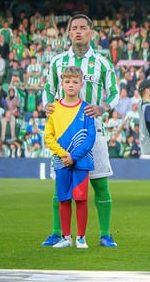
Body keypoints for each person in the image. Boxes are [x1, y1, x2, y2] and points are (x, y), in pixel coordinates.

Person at [41, 14, 119, 248]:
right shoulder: (57, 62)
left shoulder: (103, 63)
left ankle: (105, 234)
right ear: (68, 33)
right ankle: (58, 233)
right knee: (61, 185)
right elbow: (48, 89)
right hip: (64, 133)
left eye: (83, 28)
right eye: (73, 28)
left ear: (91, 32)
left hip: (94, 130)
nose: (78, 31)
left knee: (100, 184)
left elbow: (114, 92)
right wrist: (47, 105)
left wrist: (103, 107)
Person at [44, 66, 95, 249]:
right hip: (61, 160)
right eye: (67, 82)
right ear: (62, 85)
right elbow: (48, 136)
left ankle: (81, 238)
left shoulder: (87, 108)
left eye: (75, 82)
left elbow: (91, 137)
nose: (71, 85)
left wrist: (74, 156)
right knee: (63, 198)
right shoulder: (54, 108)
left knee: (81, 198)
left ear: (81, 84)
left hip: (81, 161)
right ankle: (66, 237)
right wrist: (63, 154)